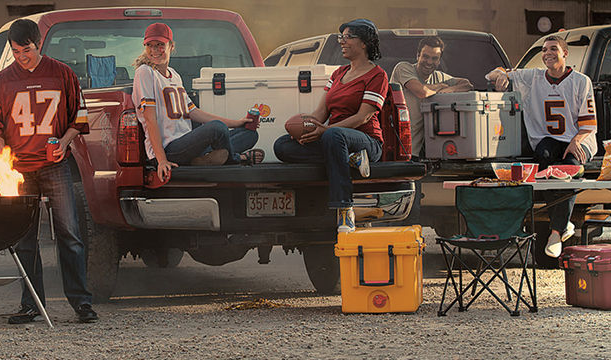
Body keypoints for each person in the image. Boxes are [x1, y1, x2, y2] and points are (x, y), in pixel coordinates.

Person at [0, 19, 98, 324]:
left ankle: (81, 302)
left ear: (39, 44)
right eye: (16, 51)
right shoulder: (2, 81)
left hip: (54, 164)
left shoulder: (62, 73)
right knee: (24, 238)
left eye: (27, 50)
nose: (22, 56)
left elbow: (80, 116)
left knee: (69, 233)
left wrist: (64, 142)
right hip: (20, 169)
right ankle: (31, 303)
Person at [486, 35, 597, 258]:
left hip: (579, 137)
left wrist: (575, 142)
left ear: (565, 53)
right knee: (544, 157)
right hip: (548, 139)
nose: (547, 53)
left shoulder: (581, 81)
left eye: (553, 49)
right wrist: (499, 76)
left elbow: (588, 125)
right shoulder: (532, 77)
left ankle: (556, 232)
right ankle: (563, 224)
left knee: (570, 167)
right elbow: (492, 72)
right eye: (544, 49)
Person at [273, 19, 387, 233]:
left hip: (366, 141)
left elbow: (363, 117)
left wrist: (326, 131)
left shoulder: (377, 75)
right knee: (282, 146)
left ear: (364, 43)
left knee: (334, 136)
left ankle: (344, 208)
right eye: (340, 37)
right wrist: (305, 128)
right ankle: (350, 160)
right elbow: (320, 114)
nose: (342, 42)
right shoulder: (338, 74)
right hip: (334, 139)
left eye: (347, 37)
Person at [133, 22, 263, 182]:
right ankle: (234, 158)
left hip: (188, 145)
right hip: (168, 149)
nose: (154, 50)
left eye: (160, 45)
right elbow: (149, 120)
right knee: (217, 128)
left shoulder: (174, 75)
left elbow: (193, 112)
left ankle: (202, 159)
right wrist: (161, 160)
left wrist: (237, 123)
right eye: (150, 45)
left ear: (171, 46)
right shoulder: (145, 72)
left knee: (249, 134)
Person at [391, 36, 473, 158]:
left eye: (434, 58)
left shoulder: (438, 76)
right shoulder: (403, 68)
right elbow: (422, 92)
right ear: (418, 55)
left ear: (439, 61)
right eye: (425, 56)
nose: (429, 62)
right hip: (396, 147)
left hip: (425, 153)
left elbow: (467, 84)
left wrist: (449, 90)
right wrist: (440, 86)